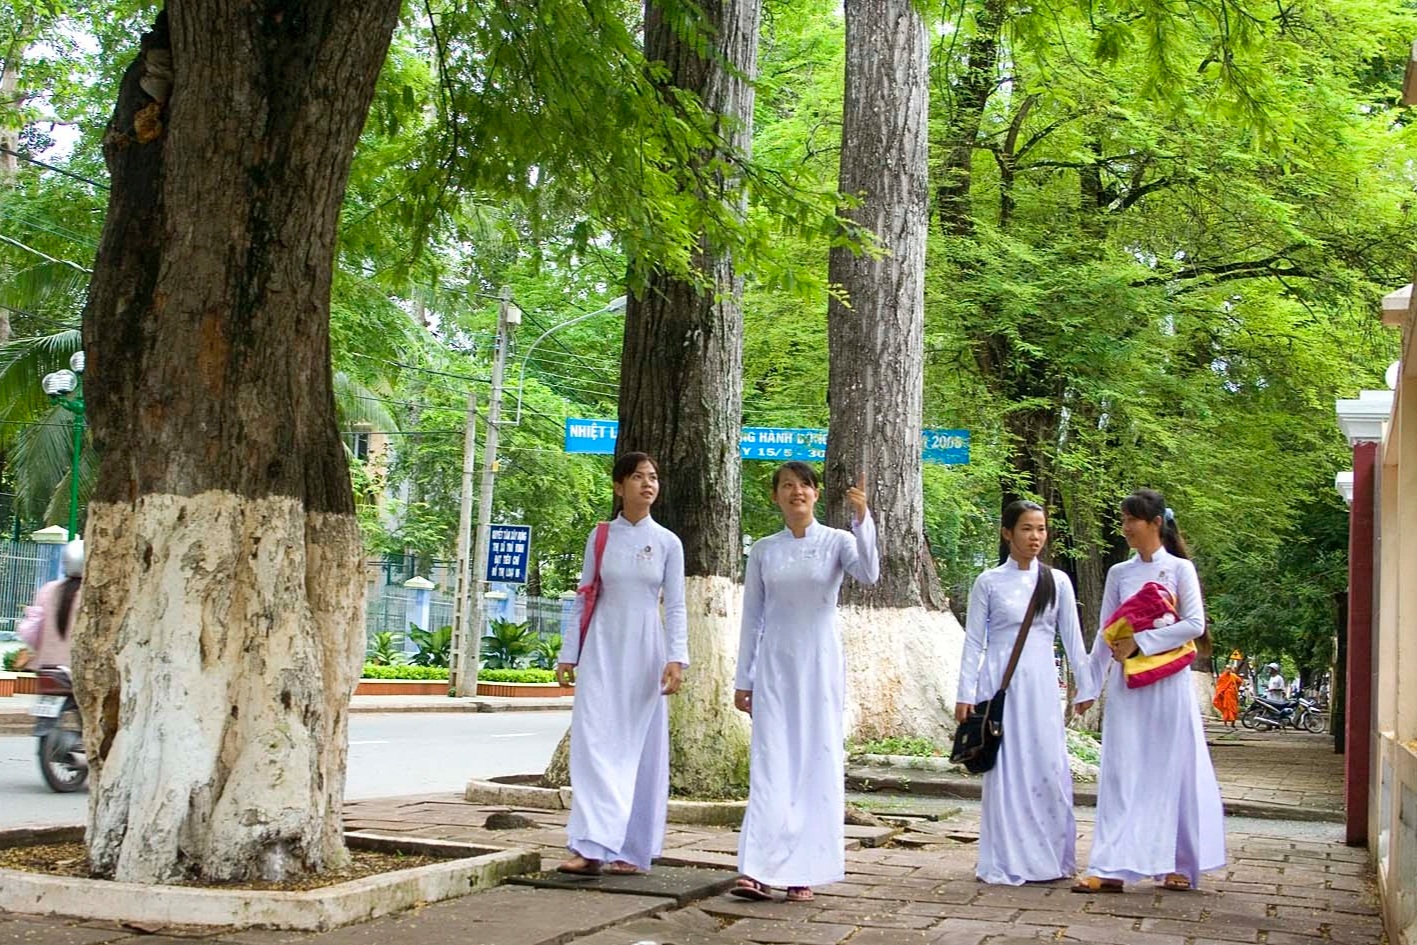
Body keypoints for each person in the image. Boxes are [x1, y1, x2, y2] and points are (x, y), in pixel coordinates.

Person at [731, 462, 879, 903]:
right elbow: (752, 616)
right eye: (787, 486)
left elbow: (869, 573)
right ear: (776, 497)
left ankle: (804, 871)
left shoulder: (838, 541)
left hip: (819, 664)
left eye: (804, 486)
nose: (796, 492)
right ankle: (755, 869)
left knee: (816, 761)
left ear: (816, 494)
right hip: (775, 664)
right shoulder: (764, 550)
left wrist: (862, 517)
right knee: (771, 763)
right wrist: (745, 677)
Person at [1073, 490, 1225, 893]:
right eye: (1122, 520)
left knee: (1170, 768)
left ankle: (1176, 861)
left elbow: (1194, 624)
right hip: (1129, 686)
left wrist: (1143, 640)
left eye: (1131, 521)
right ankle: (1110, 866)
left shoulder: (1179, 570)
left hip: (1167, 685)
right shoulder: (1118, 574)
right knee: (1122, 772)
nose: (1124, 528)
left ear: (1155, 523)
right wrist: (1089, 686)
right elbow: (1106, 634)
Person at [553, 452, 688, 876]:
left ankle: (631, 847)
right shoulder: (600, 537)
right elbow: (585, 596)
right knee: (594, 745)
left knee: (639, 749)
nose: (647, 484)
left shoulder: (668, 542)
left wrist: (676, 658)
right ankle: (589, 845)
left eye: (653, 477)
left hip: (646, 653)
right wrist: (568, 653)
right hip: (601, 650)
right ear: (618, 486)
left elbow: (677, 605)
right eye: (637, 477)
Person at [954, 500, 1093, 885]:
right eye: (1027, 529)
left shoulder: (1057, 581)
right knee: (1006, 768)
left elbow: (1072, 639)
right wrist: (965, 692)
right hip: (999, 682)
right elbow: (973, 643)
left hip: (1042, 685)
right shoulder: (989, 582)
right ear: (1007, 533)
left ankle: (1051, 858)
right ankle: (1008, 857)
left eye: (1041, 529)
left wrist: (1087, 685)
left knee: (1047, 766)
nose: (1035, 537)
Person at [17, 539, 84, 671]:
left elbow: (29, 632)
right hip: (80, 672)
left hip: (46, 670)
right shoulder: (92, 595)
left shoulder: (48, 589)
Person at [1212, 663, 1241, 728]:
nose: (1228, 670)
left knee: (1234, 710)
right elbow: (1219, 687)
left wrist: (1236, 687)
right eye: (1227, 669)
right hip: (1226, 696)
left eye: (1229, 669)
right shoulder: (1222, 677)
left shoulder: (1233, 676)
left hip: (1233, 696)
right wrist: (1220, 693)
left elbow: (1239, 681)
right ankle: (1225, 724)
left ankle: (1233, 724)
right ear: (1224, 669)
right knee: (1226, 710)